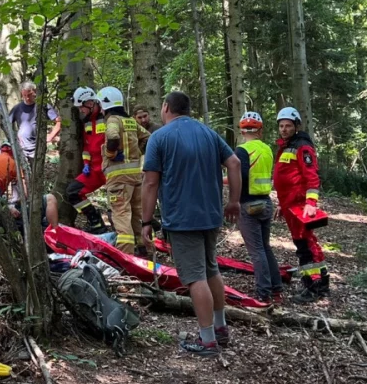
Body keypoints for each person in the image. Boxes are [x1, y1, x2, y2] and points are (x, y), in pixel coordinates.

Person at [141, 91, 241, 356]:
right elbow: (234, 162)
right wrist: (233, 202)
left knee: (196, 278)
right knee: (211, 271)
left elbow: (150, 183)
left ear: (165, 108)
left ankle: (207, 340)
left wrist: (146, 221)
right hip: (210, 215)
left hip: (182, 219)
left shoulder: (159, 138)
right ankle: (220, 329)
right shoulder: (208, 133)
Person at [273, 107, 328, 303]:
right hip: (290, 206)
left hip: (300, 207)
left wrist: (311, 203)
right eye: (281, 126)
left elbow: (311, 177)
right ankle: (321, 283)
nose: (284, 129)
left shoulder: (302, 146)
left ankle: (313, 287)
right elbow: (287, 179)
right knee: (306, 243)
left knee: (305, 245)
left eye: (288, 126)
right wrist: (281, 204)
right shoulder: (287, 146)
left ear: (296, 126)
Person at [234, 111, 282, 304]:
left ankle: (264, 293)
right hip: (266, 202)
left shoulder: (242, 150)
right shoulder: (267, 149)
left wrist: (222, 181)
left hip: (248, 204)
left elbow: (241, 177)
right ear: (260, 131)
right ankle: (277, 289)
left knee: (256, 251)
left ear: (242, 130)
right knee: (265, 247)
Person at [99, 86, 151, 255]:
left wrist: (110, 153)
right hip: (135, 177)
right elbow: (148, 137)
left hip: (118, 179)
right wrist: (138, 153)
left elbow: (113, 136)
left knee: (121, 217)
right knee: (137, 215)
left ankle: (126, 259)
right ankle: (144, 252)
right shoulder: (130, 121)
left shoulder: (113, 120)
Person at [65, 87, 110, 233]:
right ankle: (95, 222)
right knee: (73, 192)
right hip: (93, 170)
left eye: (81, 107)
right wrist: (85, 164)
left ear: (90, 103)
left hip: (109, 168)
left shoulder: (108, 117)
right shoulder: (87, 122)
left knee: (119, 206)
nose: (81, 111)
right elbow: (87, 147)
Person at [9, 82, 61, 159]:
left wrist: (50, 136)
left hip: (37, 148)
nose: (27, 98)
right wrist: (14, 137)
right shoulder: (17, 108)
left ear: (35, 92)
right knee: (22, 170)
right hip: (21, 148)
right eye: (24, 95)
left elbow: (59, 121)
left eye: (29, 95)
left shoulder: (43, 106)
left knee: (36, 169)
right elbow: (6, 124)